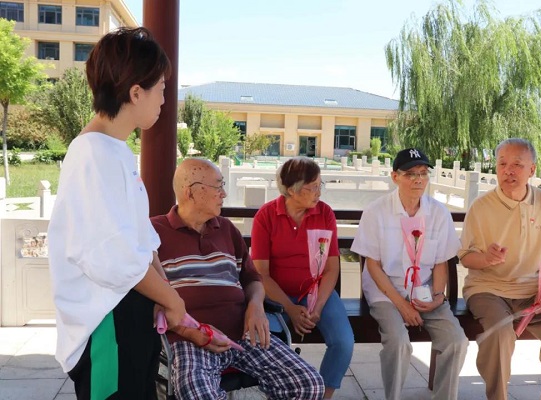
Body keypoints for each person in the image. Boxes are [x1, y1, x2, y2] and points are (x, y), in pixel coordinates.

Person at [47, 27, 186, 399]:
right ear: (135, 92)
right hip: (107, 320)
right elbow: (113, 257)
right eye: (160, 88)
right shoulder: (93, 155)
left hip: (129, 312)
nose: (163, 98)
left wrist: (167, 295)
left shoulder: (114, 150)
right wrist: (172, 300)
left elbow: (140, 239)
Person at [151, 158, 324, 400]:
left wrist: (255, 306)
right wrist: (190, 332)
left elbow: (252, 278)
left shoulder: (226, 229)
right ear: (191, 192)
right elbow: (148, 299)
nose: (224, 193)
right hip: (188, 339)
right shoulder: (155, 233)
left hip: (243, 331)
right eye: (218, 186)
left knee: (308, 383)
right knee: (198, 394)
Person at [459, 138, 541, 400]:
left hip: (534, 292)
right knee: (500, 333)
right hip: (489, 290)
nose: (508, 170)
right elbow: (466, 258)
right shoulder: (480, 208)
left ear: (532, 170)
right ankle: (498, 396)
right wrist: (486, 258)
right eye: (502, 163)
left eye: (517, 164)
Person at [351, 148, 468, 400]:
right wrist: (402, 305)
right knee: (399, 341)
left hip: (425, 289)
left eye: (424, 173)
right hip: (386, 292)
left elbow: (441, 261)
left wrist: (437, 296)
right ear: (395, 177)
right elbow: (372, 265)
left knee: (456, 340)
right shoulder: (376, 211)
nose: (418, 179)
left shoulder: (438, 212)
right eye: (410, 174)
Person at [251, 157, 354, 399]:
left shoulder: (324, 213)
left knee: (344, 341)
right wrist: (290, 307)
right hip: (276, 298)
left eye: (320, 185)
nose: (319, 192)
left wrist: (316, 306)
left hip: (317, 293)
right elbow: (261, 274)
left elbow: (331, 268)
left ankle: (324, 396)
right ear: (291, 190)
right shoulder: (266, 216)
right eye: (312, 187)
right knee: (270, 343)